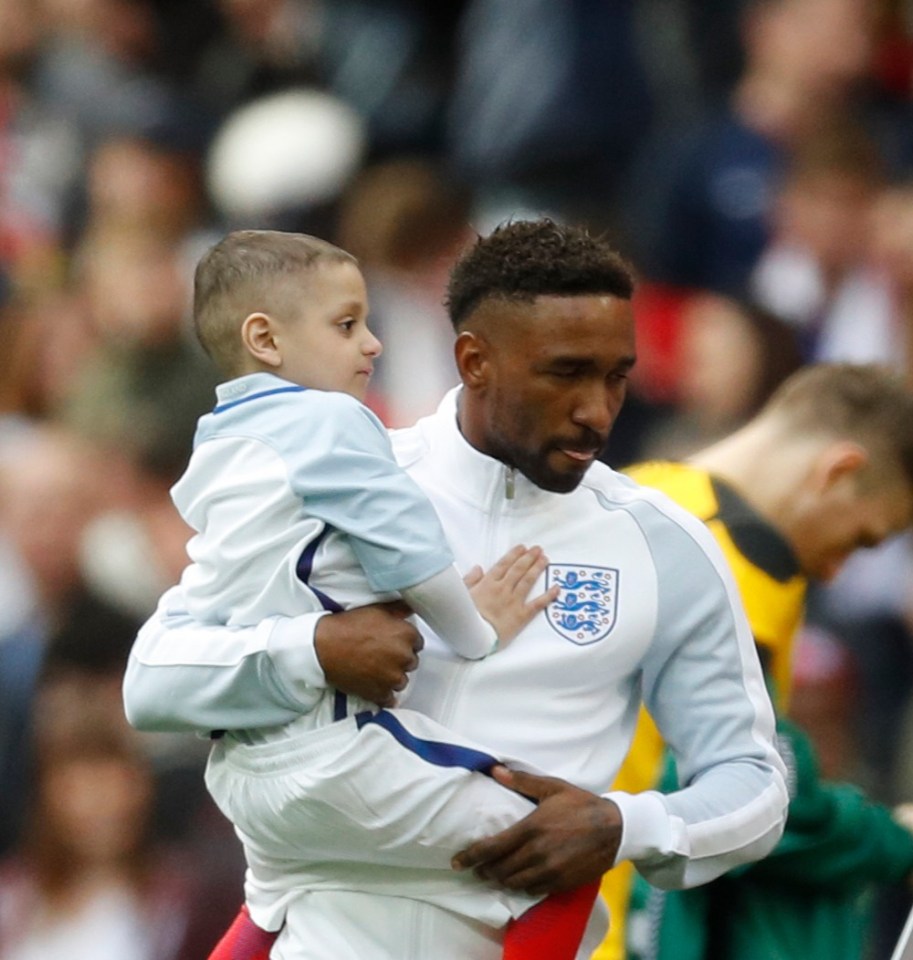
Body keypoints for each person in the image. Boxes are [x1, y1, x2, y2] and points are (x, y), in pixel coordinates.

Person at [123, 218, 788, 960]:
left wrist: (623, 825)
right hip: (318, 925)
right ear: (473, 360)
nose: (596, 410)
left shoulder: (663, 544)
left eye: (616, 377)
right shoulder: (343, 477)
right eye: (565, 373)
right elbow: (154, 678)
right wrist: (311, 649)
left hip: (514, 932)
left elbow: (754, 788)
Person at [148, 227, 610, 960]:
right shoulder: (329, 421)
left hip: (241, 771)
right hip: (335, 752)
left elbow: (154, 677)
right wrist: (474, 625)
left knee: (270, 902)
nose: (372, 344)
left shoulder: (217, 444)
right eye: (345, 325)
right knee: (568, 847)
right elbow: (409, 551)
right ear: (264, 339)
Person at [594, 362, 913, 960]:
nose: (836, 569)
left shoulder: (634, 488)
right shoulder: (745, 562)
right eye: (860, 540)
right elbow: (765, 792)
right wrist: (895, 841)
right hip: (625, 926)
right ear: (839, 471)